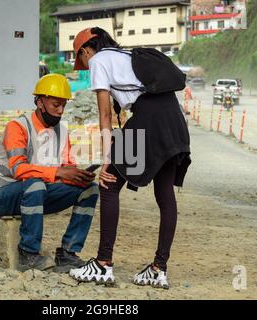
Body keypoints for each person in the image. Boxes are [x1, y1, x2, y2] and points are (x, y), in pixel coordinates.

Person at [68, 27, 191, 289]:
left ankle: (103, 264)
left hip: (148, 116)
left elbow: (104, 116)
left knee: (109, 183)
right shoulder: (125, 56)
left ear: (86, 50)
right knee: (165, 193)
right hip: (173, 116)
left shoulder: (100, 60)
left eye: (83, 60)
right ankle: (159, 268)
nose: (87, 67)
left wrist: (106, 161)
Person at [0, 74, 99, 273]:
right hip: (1, 196)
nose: (60, 110)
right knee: (34, 183)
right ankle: (28, 253)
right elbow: (19, 169)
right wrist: (58, 172)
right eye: (56, 104)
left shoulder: (62, 132)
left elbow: (66, 168)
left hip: (38, 194)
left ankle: (68, 253)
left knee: (89, 190)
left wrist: (78, 176)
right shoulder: (18, 127)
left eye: (64, 105)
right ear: (39, 102)